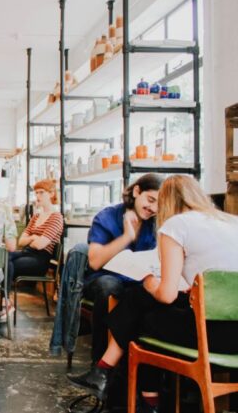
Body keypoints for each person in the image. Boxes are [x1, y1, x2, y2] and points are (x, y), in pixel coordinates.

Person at [68, 175, 238, 413]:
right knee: (145, 304)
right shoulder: (232, 221)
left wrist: (149, 282)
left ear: (166, 202)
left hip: (209, 335)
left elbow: (167, 294)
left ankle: (123, 386)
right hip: (234, 334)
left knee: (145, 311)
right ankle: (110, 376)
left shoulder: (176, 226)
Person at [83, 173, 162, 362]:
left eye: (159, 204)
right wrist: (127, 237)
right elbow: (94, 261)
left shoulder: (156, 224)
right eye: (150, 200)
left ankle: (146, 374)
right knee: (110, 286)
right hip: (104, 279)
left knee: (156, 294)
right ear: (136, 191)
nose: (153, 208)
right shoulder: (107, 217)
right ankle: (100, 365)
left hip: (139, 282)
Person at [7, 179, 63, 308]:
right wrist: (34, 237)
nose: (37, 196)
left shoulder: (56, 217)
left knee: (7, 263)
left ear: (51, 194)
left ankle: (4, 301)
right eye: (36, 193)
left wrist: (31, 238)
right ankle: (3, 301)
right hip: (27, 253)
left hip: (40, 260)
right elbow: (21, 241)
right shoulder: (36, 216)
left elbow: (40, 245)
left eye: (41, 192)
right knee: (4, 256)